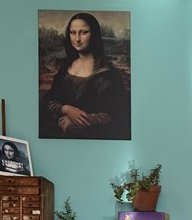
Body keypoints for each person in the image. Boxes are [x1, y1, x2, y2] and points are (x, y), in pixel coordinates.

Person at [40, 12, 131, 140]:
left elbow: (116, 114)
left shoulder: (108, 75)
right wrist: (66, 109)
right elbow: (48, 101)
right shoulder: (65, 70)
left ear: (94, 34)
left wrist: (81, 120)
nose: (77, 39)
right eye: (73, 33)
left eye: (83, 32)